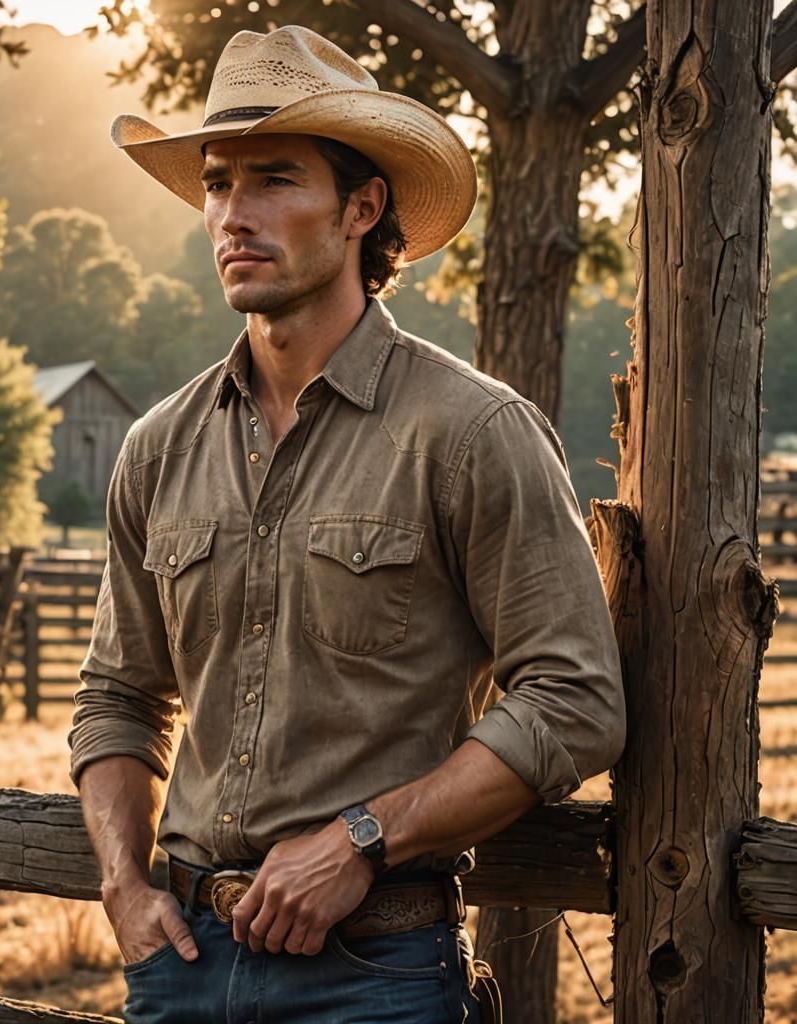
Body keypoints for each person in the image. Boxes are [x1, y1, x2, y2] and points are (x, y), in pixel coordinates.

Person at [68, 24, 625, 1024]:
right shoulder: (156, 447)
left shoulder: (468, 432)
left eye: (274, 179)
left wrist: (358, 839)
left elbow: (574, 698)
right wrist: (123, 884)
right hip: (179, 963)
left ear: (362, 207)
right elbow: (116, 694)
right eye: (216, 183)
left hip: (374, 973)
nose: (235, 215)